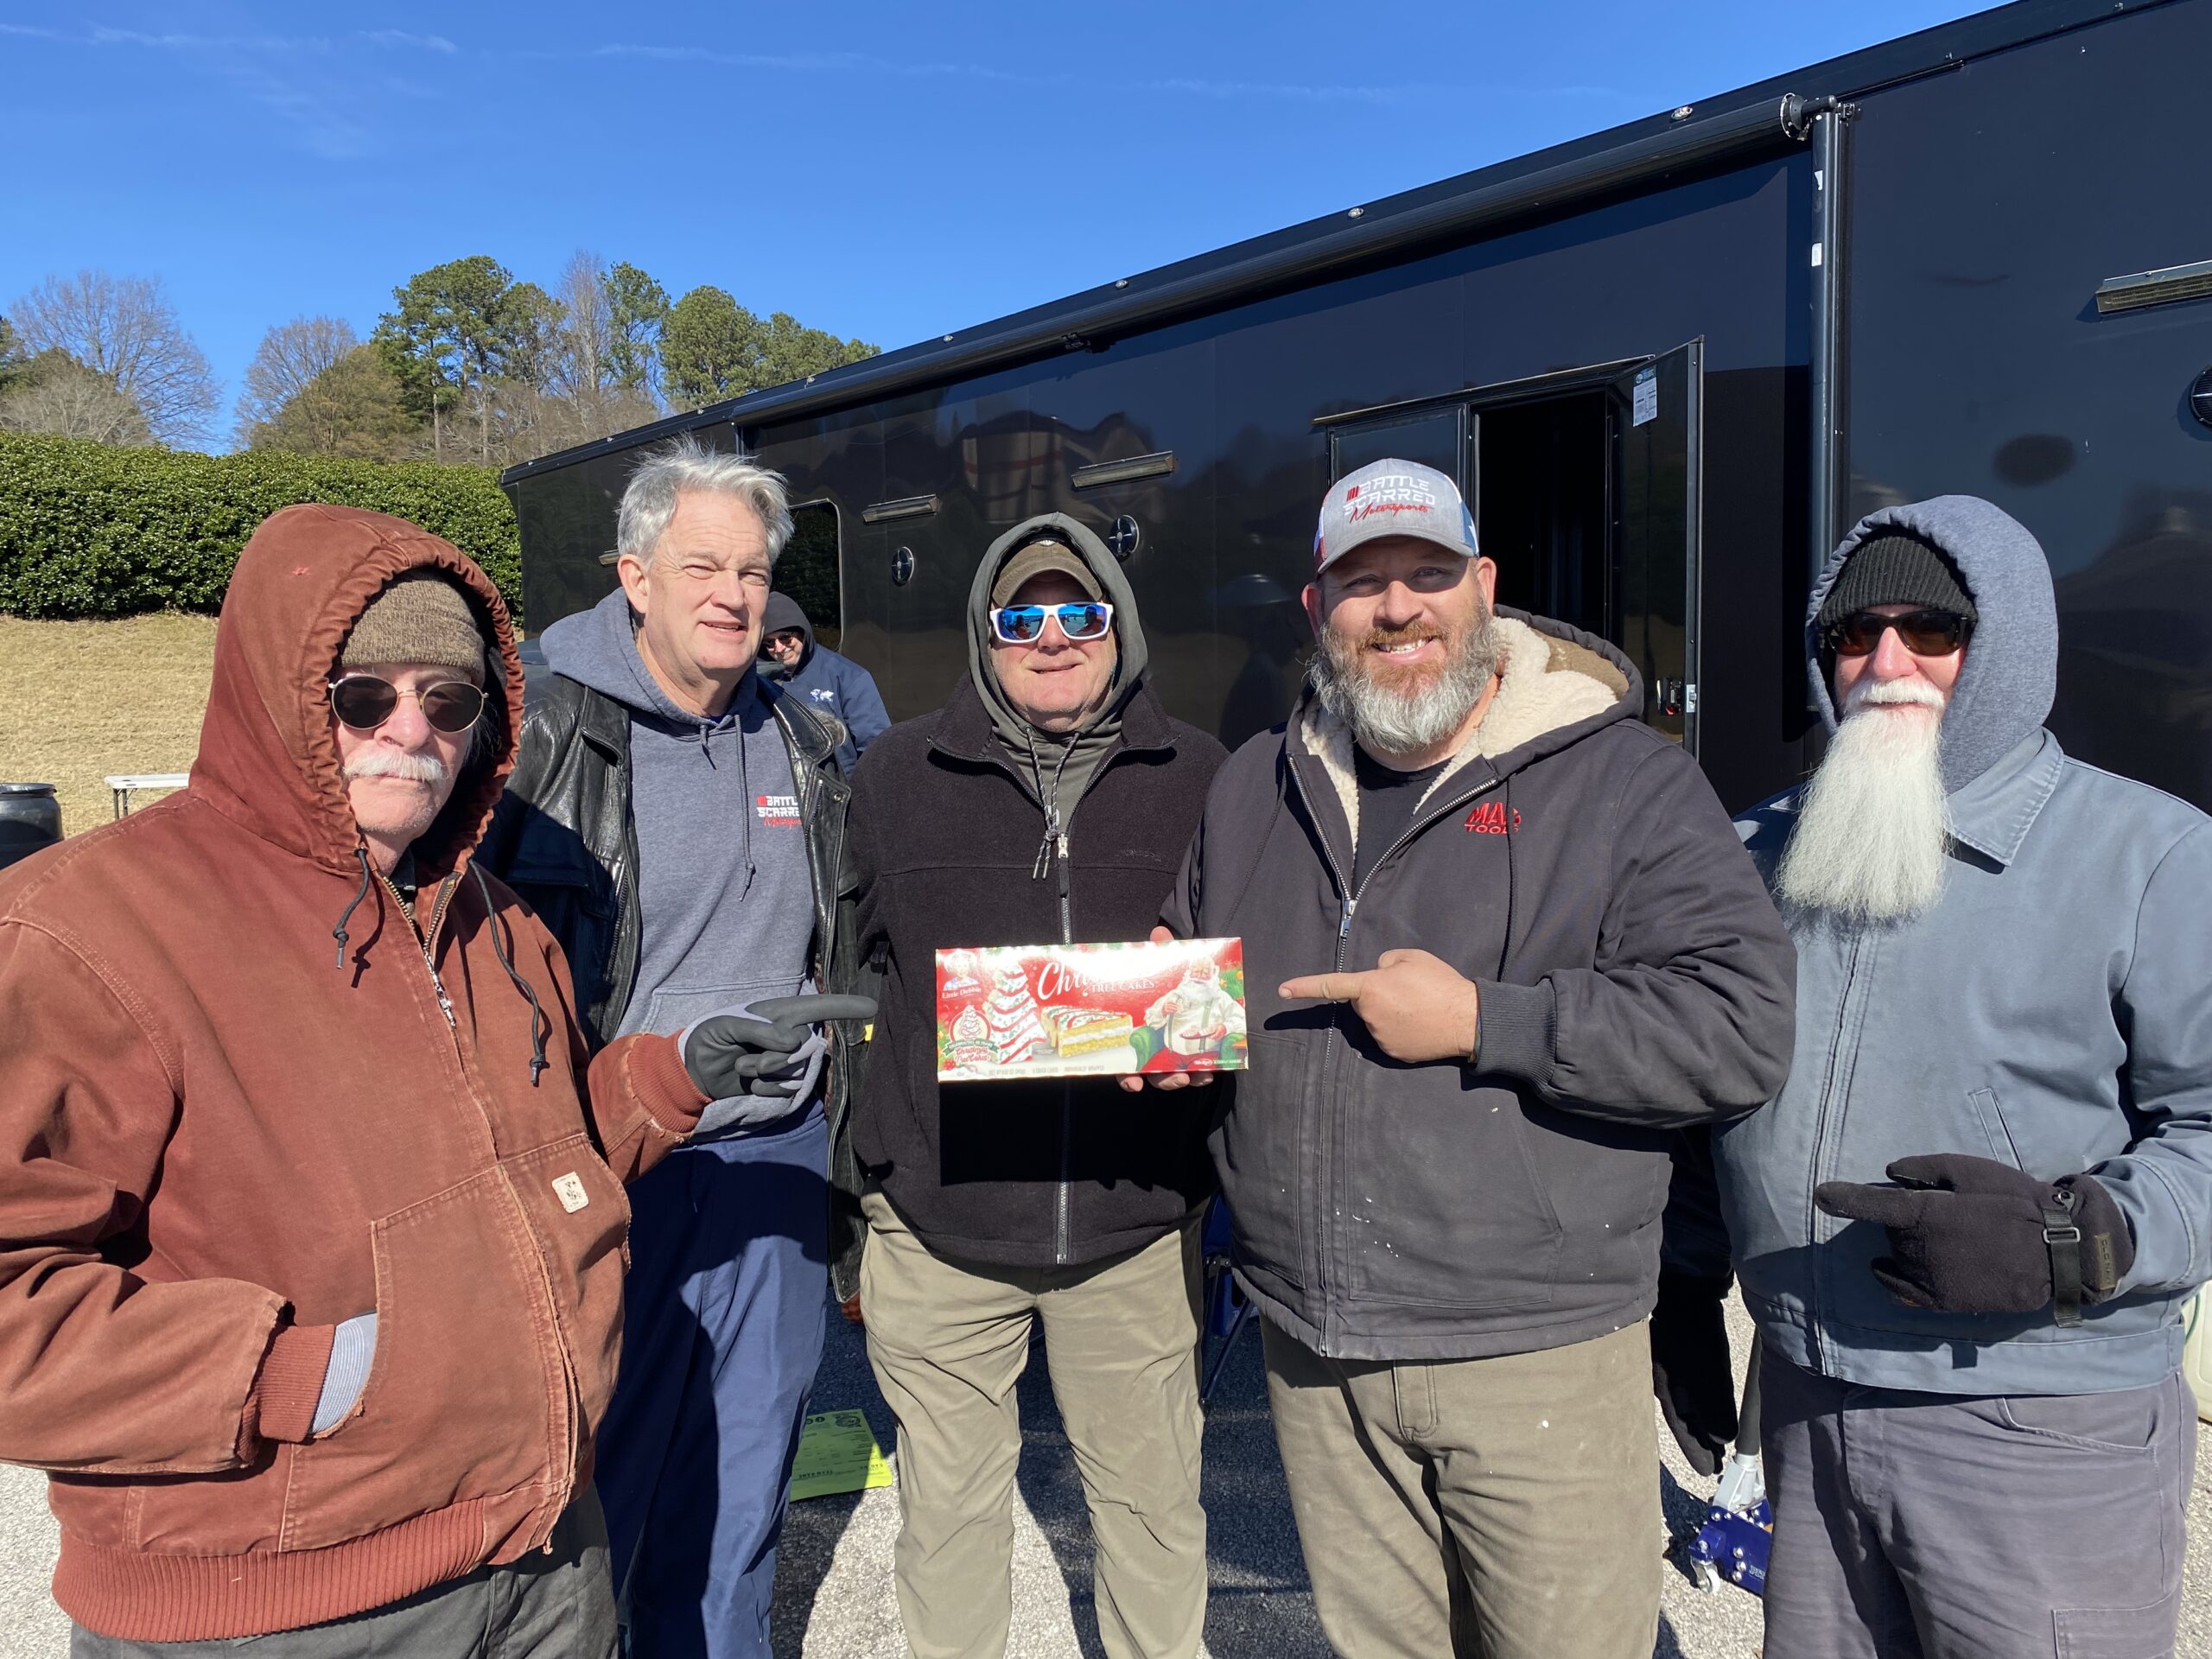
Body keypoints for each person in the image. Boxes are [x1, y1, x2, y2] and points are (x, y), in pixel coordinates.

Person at [0, 504, 814, 1653]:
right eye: (362, 697)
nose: (410, 731)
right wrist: (300, 1376)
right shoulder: (84, 928)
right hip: (283, 1606)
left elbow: (529, 1157)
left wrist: (664, 1080)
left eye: (448, 701)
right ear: (281, 701)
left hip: (540, 1555)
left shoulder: (493, 918)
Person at [1152, 459, 1796, 1659]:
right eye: (1363, 583)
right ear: (1317, 609)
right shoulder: (1253, 785)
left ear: (1484, 586)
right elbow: (1201, 964)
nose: (1398, 608)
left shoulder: (1625, 781)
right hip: (1316, 1350)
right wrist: (1167, 1010)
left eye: (1428, 574)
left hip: (1535, 1349)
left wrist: (1487, 1023)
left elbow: (1738, 1026)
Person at [1681, 498, 2212, 1658]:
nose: (1887, 664)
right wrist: (1682, 1275)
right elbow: (1703, 1080)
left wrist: (2081, 1239)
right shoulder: (1755, 852)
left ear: (2007, 644)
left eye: (1933, 630)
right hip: (1809, 1398)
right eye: (1853, 634)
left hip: (2037, 1419)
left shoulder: (2154, 855)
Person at [480, 437, 863, 1659]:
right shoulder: (541, 737)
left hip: (777, 1156)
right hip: (614, 1160)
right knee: (601, 1486)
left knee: (746, 1483)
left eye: (752, 571)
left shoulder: (805, 743)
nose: (733, 595)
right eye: (702, 566)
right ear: (634, 576)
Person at [842, 515, 1226, 1659]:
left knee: (1154, 1517)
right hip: (941, 1225)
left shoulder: (1203, 773)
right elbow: (848, 964)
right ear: (985, 632)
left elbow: (1243, 963)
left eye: (1079, 613)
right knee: (948, 1526)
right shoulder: (895, 774)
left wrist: (1206, 1034)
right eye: (1022, 617)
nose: (1052, 637)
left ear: (1119, 627)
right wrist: (869, 1166)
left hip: (1133, 1226)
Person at [757, 590, 890, 774]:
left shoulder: (849, 676)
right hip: (786, 783)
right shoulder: (760, 680)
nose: (779, 648)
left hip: (839, 783)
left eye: (786, 638)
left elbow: (876, 747)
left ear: (802, 632)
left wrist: (859, 787)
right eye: (769, 643)